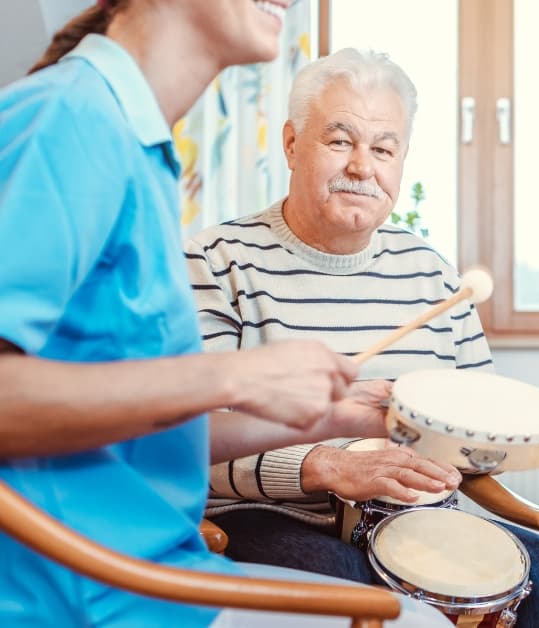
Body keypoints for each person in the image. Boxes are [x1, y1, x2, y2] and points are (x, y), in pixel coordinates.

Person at [0, 2, 454, 627]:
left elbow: (145, 430)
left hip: (166, 578)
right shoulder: (69, 118)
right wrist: (235, 378)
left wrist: (332, 418)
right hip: (88, 599)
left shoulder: (135, 145)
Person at [185, 47, 539, 628]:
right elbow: (185, 442)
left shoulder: (430, 272)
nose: (362, 167)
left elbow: (475, 421)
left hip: (416, 517)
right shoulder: (216, 261)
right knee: (354, 590)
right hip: (270, 514)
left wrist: (488, 441)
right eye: (340, 140)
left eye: (383, 148)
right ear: (293, 144)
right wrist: (322, 464)